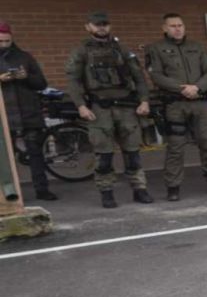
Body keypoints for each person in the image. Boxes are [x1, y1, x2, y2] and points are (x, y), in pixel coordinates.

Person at [64, 11, 154, 207]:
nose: (101, 27)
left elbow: (138, 77)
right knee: (104, 155)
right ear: (88, 27)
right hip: (99, 109)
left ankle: (140, 189)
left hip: (126, 107)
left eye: (104, 24)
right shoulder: (82, 51)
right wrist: (80, 106)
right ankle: (107, 192)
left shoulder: (121, 48)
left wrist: (144, 100)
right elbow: (73, 81)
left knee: (133, 153)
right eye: (97, 24)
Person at [145, 13, 207, 200]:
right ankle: (173, 187)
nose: (177, 28)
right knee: (176, 147)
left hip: (200, 102)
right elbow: (156, 75)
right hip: (175, 104)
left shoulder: (197, 47)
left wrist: (197, 87)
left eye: (180, 25)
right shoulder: (156, 49)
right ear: (165, 29)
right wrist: (181, 88)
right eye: (173, 26)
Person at [0, 22, 56, 201]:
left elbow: (41, 83)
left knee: (35, 154)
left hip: (29, 113)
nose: (4, 43)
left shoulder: (24, 57)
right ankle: (10, 193)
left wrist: (27, 77)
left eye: (7, 40)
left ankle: (42, 189)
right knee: (6, 159)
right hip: (4, 115)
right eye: (1, 41)